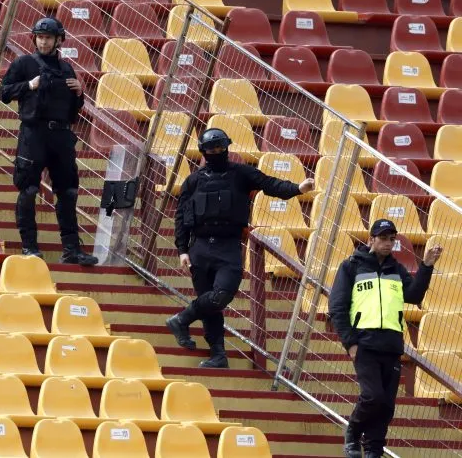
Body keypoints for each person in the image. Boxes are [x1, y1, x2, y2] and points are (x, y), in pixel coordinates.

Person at [167, 127, 314, 368]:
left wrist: (297, 189)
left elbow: (270, 184)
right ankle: (218, 354)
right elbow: (181, 218)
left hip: (229, 247)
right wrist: (182, 249)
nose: (216, 152)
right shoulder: (192, 181)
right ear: (203, 151)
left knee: (221, 296)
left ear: (227, 147)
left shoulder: (241, 173)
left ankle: (181, 319)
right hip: (200, 248)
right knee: (208, 302)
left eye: (221, 147)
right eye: (211, 149)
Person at [329, 219, 441, 458]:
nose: (388, 243)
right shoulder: (351, 266)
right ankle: (353, 433)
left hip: (391, 345)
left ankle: (374, 449)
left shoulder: (396, 269)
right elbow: (337, 308)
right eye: (383, 238)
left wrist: (427, 266)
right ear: (371, 240)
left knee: (387, 405)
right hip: (364, 344)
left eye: (392, 239)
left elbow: (413, 295)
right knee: (372, 396)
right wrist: (350, 343)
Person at [0, 17, 98, 267]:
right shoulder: (24, 63)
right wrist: (29, 85)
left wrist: (79, 94)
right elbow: (4, 92)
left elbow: (74, 110)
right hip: (34, 133)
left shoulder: (66, 68)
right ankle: (29, 246)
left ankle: (72, 250)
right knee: (29, 189)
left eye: (48, 37)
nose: (43, 41)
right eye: (40, 37)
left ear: (58, 40)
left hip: (61, 135)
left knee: (68, 191)